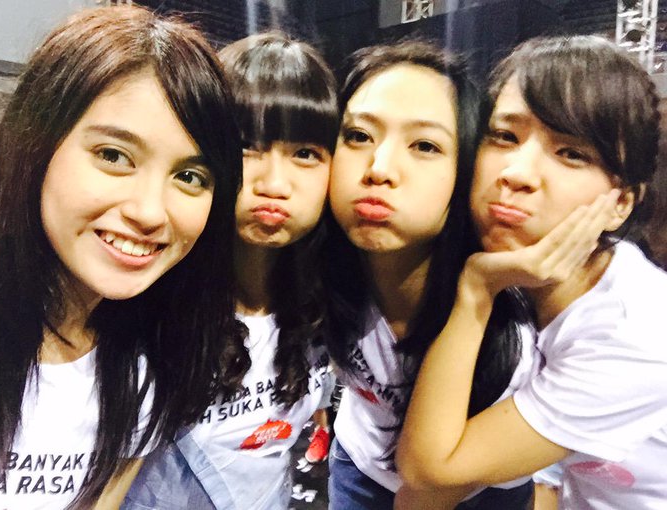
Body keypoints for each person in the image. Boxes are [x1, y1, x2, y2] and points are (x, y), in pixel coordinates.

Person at [0, 6, 242, 509]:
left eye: (189, 177)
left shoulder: (157, 354)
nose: (149, 212)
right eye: (113, 155)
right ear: (35, 145)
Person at [397, 35, 667, 510]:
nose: (517, 173)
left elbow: (429, 471)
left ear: (620, 204)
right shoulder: (527, 274)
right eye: (505, 136)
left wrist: (477, 289)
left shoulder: (636, 335)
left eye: (572, 153)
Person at [121, 32, 339, 510]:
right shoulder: (143, 306)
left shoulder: (331, 303)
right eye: (246, 146)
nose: (274, 183)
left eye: (305, 153)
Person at [324, 39, 536, 510]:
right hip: (359, 466)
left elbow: (431, 485)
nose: (379, 169)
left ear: (468, 172)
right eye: (358, 136)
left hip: (480, 491)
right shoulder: (320, 269)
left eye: (425, 145)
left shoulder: (515, 329)